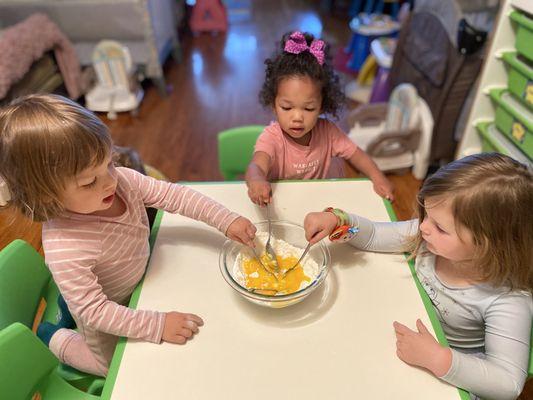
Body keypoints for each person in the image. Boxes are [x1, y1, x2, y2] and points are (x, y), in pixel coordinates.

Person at [0, 94, 256, 377]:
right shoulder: (65, 250)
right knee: (112, 367)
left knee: (80, 295)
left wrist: (226, 219)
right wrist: (157, 326)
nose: (112, 180)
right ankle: (55, 338)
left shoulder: (122, 181)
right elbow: (96, 312)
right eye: (89, 182)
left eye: (108, 162)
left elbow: (175, 195)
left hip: (132, 284)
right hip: (105, 311)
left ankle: (69, 299)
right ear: (47, 195)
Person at [303, 153, 532, 400]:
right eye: (426, 215)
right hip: (402, 344)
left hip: (450, 375)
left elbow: (508, 383)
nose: (423, 227)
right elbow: (373, 236)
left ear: (489, 245)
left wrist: (439, 358)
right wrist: (339, 220)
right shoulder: (430, 238)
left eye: (440, 227)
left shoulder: (509, 301)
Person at [246, 31, 394, 206]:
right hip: (279, 204)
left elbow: (357, 155)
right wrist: (256, 180)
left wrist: (378, 177)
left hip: (316, 204)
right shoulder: (271, 138)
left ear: (322, 106)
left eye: (309, 108)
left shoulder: (328, 132)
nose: (297, 117)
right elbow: (257, 166)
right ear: (273, 105)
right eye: (287, 107)